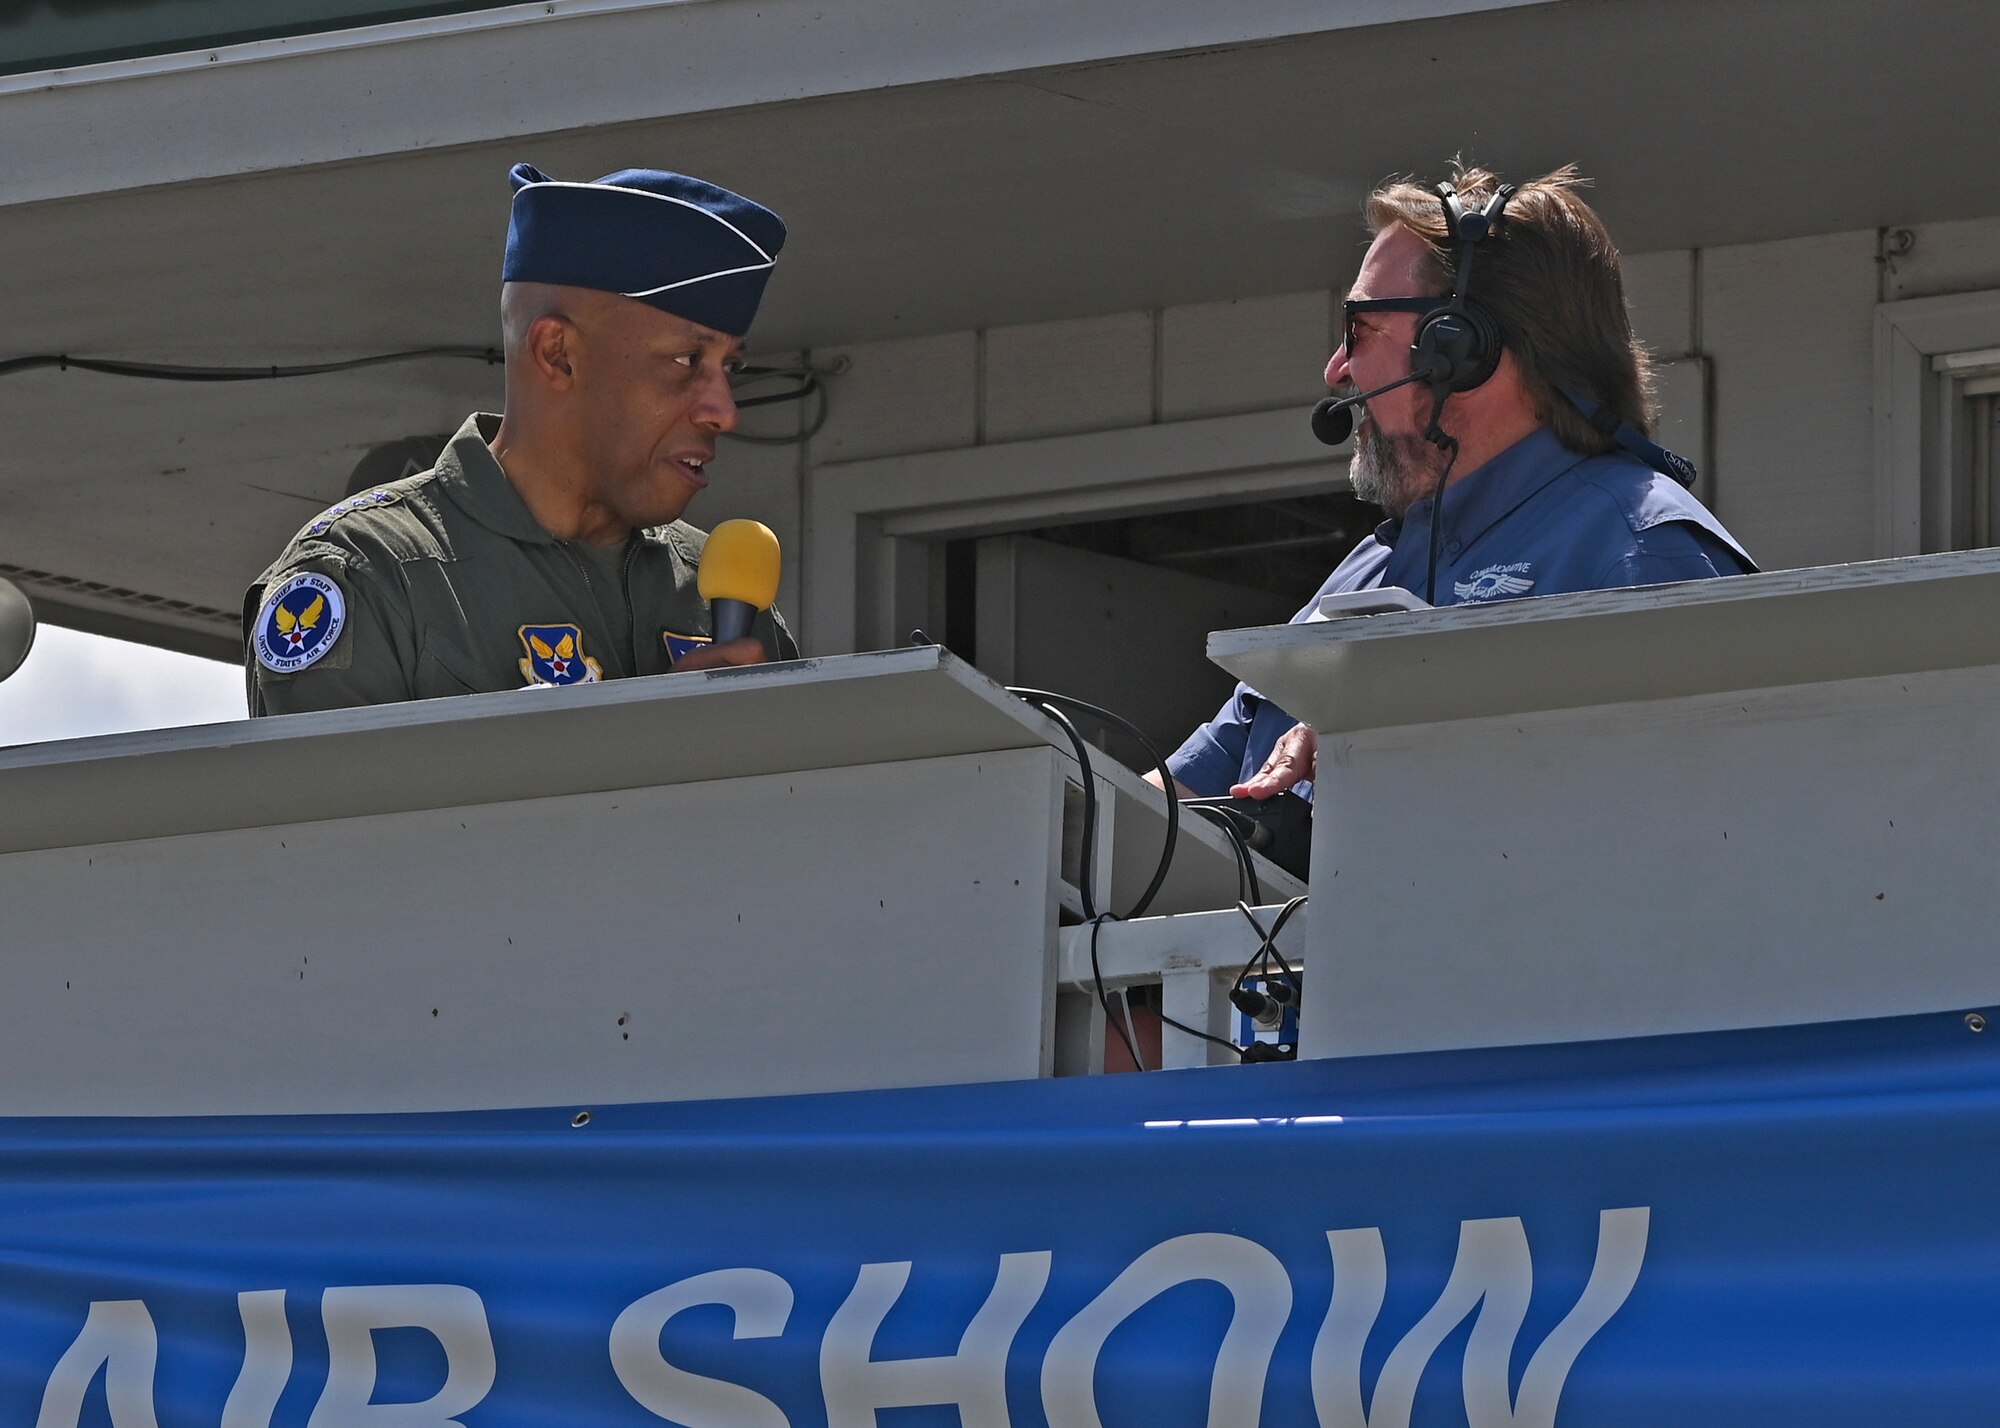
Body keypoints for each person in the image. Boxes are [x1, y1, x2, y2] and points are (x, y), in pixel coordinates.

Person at [1164, 164, 1754, 803]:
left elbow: (1691, 827)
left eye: (1360, 329)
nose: (1337, 370)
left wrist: (1385, 744)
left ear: (1460, 350)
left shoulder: (1643, 549)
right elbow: (1172, 805)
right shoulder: (1367, 572)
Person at [243, 162, 797, 715]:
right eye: (686, 360)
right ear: (557, 353)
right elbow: (339, 802)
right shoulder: (371, 573)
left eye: (732, 368)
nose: (724, 411)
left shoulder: (722, 599)